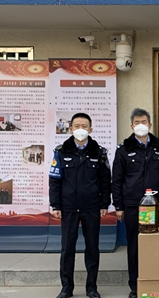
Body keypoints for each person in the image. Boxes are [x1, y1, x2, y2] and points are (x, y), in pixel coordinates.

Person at [49, 113, 111, 298]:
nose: (81, 129)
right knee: (67, 249)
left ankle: (91, 288)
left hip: (92, 207)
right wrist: (56, 205)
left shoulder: (99, 152)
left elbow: (105, 181)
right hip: (68, 208)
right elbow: (55, 181)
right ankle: (66, 288)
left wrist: (104, 203)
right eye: (77, 126)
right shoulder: (61, 151)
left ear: (91, 129)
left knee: (92, 248)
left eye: (84, 126)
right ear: (70, 129)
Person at [112, 108, 159, 298]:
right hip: (133, 205)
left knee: (156, 244)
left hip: (157, 205)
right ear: (131, 126)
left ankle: (155, 280)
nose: (141, 125)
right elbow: (117, 180)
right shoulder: (123, 149)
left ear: (150, 124)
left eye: (144, 122)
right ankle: (135, 286)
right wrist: (118, 206)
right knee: (135, 246)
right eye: (137, 122)